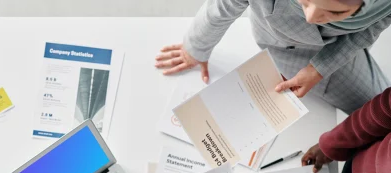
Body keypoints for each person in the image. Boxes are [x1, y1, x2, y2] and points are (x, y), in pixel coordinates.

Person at [155, 0, 391, 114]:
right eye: (306, 1)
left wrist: (319, 68)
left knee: (381, 114)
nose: (310, 17)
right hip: (285, 47)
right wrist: (196, 49)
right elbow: (222, 6)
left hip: (341, 45)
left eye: (336, 11)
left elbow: (372, 27)